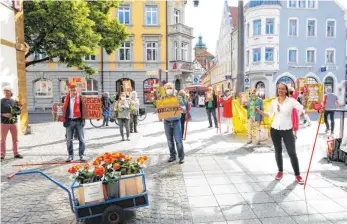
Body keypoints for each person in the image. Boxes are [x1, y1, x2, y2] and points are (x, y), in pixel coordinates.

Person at [256, 83, 305, 184]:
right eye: (279, 89)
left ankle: (298, 175)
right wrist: (259, 111)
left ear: (286, 90)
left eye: (283, 89)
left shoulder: (291, 101)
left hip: (287, 130)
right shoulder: (274, 102)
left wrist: (302, 113)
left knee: (292, 152)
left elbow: (301, 108)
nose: (281, 91)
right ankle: (280, 171)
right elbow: (269, 115)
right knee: (278, 151)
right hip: (275, 130)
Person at [162, 83, 185, 164]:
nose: (169, 89)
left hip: (176, 121)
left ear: (173, 88)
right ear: (165, 90)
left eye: (170, 88)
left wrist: (181, 108)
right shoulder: (163, 98)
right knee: (169, 140)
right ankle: (172, 155)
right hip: (167, 122)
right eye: (167, 88)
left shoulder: (178, 98)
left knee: (178, 140)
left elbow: (184, 109)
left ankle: (181, 157)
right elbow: (160, 109)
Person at [62, 84, 86, 162]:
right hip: (69, 121)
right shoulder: (65, 99)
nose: (73, 92)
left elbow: (85, 109)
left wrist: (83, 120)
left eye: (75, 90)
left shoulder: (81, 99)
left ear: (77, 90)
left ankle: (81, 155)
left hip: (78, 121)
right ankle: (70, 155)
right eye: (72, 90)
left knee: (81, 139)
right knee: (69, 140)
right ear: (70, 91)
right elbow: (62, 110)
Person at [1, 86, 23, 160]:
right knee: (3, 139)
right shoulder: (1, 101)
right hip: (4, 123)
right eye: (5, 92)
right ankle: (2, 154)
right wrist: (3, 114)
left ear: (11, 92)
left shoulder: (15, 101)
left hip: (14, 122)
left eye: (7, 91)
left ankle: (16, 153)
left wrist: (20, 109)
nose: (6, 93)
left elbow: (18, 112)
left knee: (15, 139)